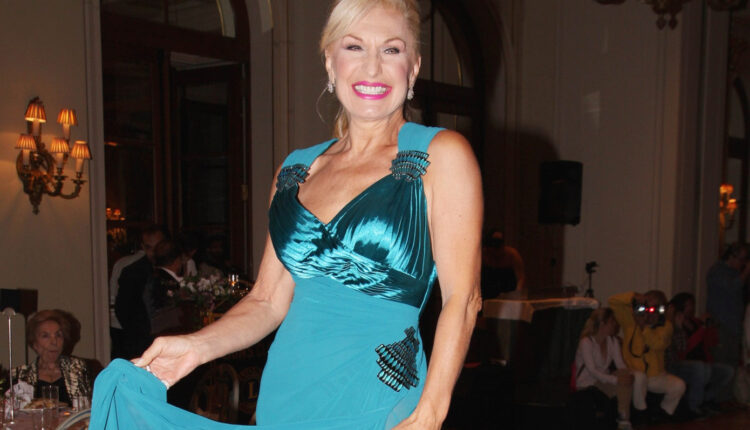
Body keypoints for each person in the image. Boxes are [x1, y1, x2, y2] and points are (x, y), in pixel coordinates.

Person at [91, 1, 483, 429]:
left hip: (379, 392)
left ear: (414, 66)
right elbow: (267, 300)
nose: (372, 67)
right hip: (288, 390)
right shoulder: (295, 171)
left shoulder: (441, 155)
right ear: (330, 63)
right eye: (354, 47)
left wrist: (429, 413)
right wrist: (196, 348)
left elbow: (462, 300)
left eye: (391, 50)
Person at [609, 290, 686, 421]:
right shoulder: (630, 321)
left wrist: (644, 327)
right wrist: (634, 297)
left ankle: (663, 414)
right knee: (640, 377)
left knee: (679, 385)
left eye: (654, 308)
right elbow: (613, 301)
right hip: (634, 371)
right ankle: (640, 413)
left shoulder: (665, 326)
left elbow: (657, 344)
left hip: (656, 376)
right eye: (647, 306)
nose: (650, 312)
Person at [665, 292, 734, 416]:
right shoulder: (673, 324)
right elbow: (684, 348)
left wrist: (710, 327)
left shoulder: (695, 322)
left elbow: (712, 343)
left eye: (693, 304)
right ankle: (694, 406)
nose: (692, 308)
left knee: (727, 371)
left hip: (702, 362)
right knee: (700, 368)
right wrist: (700, 328)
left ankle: (705, 399)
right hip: (682, 364)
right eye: (689, 305)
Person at [12, 310, 91, 406]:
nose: (54, 342)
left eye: (58, 335)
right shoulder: (20, 375)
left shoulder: (78, 368)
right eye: (45, 336)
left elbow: (89, 407)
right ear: (34, 343)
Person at [114, 225, 169, 359]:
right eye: (149, 248)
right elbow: (122, 309)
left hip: (167, 337)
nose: (154, 252)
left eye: (158, 247)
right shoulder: (132, 272)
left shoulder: (172, 267)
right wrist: (139, 334)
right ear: (143, 247)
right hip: (140, 342)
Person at [574, 308, 634, 430]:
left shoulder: (612, 341)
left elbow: (620, 364)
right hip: (588, 384)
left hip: (603, 381)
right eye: (612, 321)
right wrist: (616, 380)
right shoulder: (586, 342)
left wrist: (628, 375)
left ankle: (623, 418)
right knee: (622, 383)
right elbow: (592, 371)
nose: (615, 324)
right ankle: (623, 418)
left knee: (625, 378)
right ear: (602, 324)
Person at [706, 242, 750, 366]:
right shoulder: (717, 272)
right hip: (721, 325)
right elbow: (732, 287)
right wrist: (746, 272)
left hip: (734, 325)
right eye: (741, 260)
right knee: (722, 363)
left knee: (733, 363)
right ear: (731, 256)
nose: (743, 263)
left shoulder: (735, 273)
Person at [480, 230, 525, 298]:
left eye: (499, 244)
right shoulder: (483, 255)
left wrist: (517, 293)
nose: (496, 251)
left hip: (508, 293)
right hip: (487, 293)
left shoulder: (512, 255)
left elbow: (520, 278)